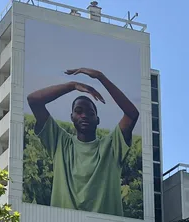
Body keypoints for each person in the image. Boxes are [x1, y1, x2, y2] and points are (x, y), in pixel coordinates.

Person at [26, 68, 139, 216]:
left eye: (90, 113)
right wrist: (71, 86)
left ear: (97, 120)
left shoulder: (111, 146)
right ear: (71, 117)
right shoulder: (60, 142)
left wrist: (100, 77)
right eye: (79, 111)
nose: (84, 115)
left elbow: (132, 114)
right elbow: (34, 100)